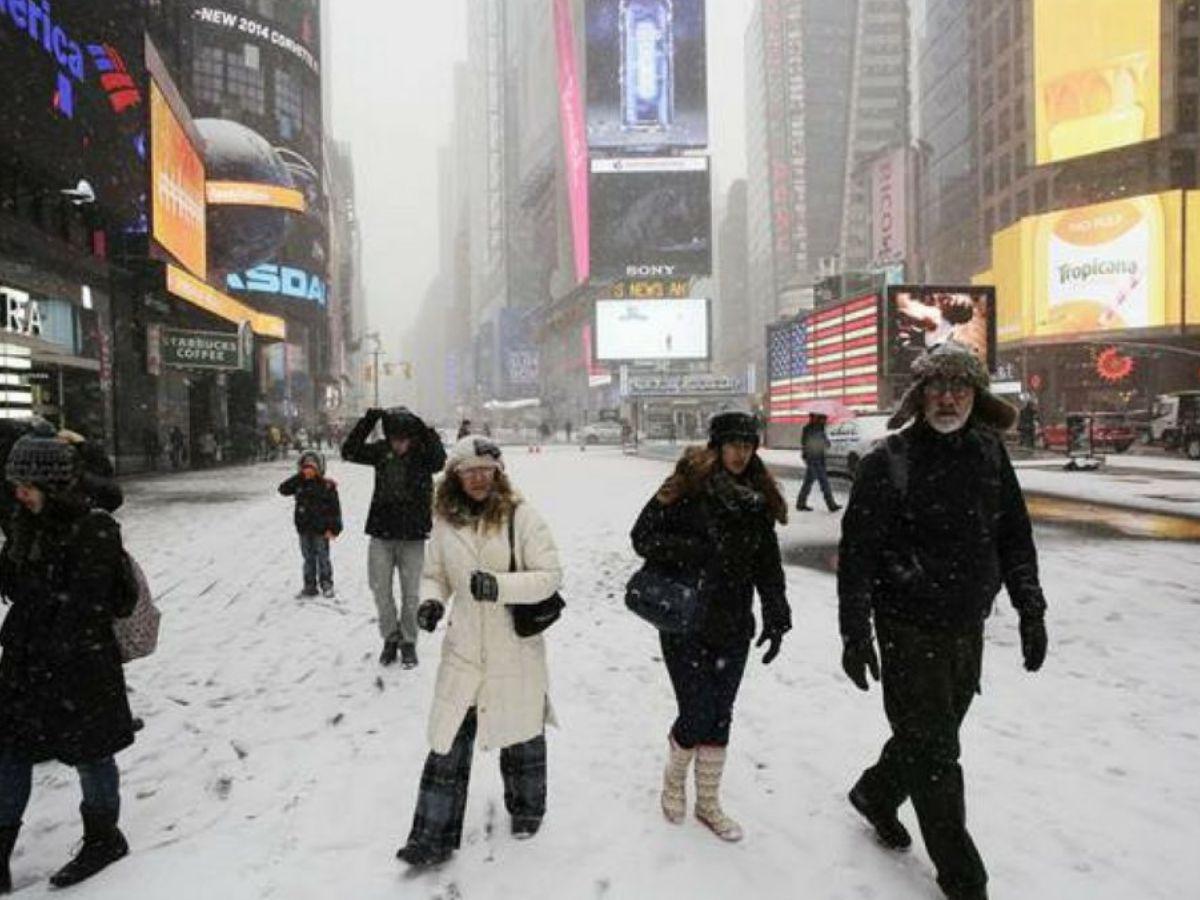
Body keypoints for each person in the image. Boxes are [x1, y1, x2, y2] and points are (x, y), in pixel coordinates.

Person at [837, 342, 1048, 900]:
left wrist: (1031, 609)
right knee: (937, 754)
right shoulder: (889, 461)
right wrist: (855, 631)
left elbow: (1014, 536)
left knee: (931, 736)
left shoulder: (988, 453)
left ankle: (876, 794)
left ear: (975, 396)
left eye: (960, 387)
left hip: (966, 623)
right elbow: (856, 553)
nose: (949, 397)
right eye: (938, 386)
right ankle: (964, 879)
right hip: (907, 625)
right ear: (920, 394)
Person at [395, 436, 562, 869]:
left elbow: (549, 576)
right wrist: (430, 601)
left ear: (498, 473)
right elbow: (435, 573)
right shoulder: (445, 521)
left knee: (522, 731)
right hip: (465, 646)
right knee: (448, 739)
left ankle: (527, 808)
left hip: (513, 645)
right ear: (455, 476)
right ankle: (431, 837)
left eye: (486, 470)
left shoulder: (521, 516)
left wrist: (499, 585)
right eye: (470, 471)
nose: (478, 479)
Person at [630, 412, 791, 843]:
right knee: (697, 710)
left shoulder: (757, 498)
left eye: (748, 444)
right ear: (717, 446)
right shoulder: (686, 485)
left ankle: (707, 802)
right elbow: (641, 536)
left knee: (720, 716)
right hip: (685, 620)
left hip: (734, 623)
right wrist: (692, 550)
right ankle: (672, 783)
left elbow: (767, 563)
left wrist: (777, 612)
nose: (741, 452)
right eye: (734, 443)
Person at [0, 433, 137, 891]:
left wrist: (53, 650)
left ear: (53, 485)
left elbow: (90, 604)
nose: (18, 493)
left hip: (80, 666)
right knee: (12, 754)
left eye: (26, 485)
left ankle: (104, 838)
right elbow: (19, 588)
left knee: (90, 755)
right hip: (27, 661)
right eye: (14, 484)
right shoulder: (25, 524)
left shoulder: (94, 528)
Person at [342, 407, 447, 668]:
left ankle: (409, 641)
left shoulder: (423, 455)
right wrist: (369, 421)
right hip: (382, 532)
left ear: (411, 437)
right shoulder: (380, 452)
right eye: (394, 439)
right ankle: (391, 638)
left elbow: (440, 461)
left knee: (412, 594)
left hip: (413, 536)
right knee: (380, 590)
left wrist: (423, 427)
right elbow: (349, 451)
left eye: (404, 439)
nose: (399, 444)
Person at [279, 450, 343, 599]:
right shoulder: (299, 483)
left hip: (322, 529)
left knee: (323, 557)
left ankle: (326, 583)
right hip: (304, 528)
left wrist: (334, 529)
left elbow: (335, 509)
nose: (309, 471)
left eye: (312, 468)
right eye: (306, 468)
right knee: (308, 558)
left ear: (319, 468)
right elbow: (283, 489)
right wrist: (299, 477)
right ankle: (309, 585)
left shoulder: (327, 486)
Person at [796, 412, 840, 512]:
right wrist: (807, 454)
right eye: (824, 419)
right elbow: (805, 443)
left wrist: (826, 443)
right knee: (824, 482)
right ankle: (831, 504)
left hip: (820, 458)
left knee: (808, 482)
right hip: (812, 459)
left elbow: (824, 442)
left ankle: (800, 503)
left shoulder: (820, 428)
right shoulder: (808, 429)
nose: (825, 421)